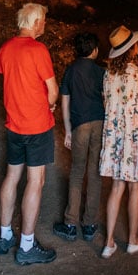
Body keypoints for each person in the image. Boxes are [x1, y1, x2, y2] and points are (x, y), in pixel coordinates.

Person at [0, 2, 59, 266]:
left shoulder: (5, 49)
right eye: (42, 20)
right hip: (37, 126)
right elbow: (52, 89)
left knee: (11, 176)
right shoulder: (38, 49)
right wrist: (51, 103)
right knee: (36, 181)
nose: (44, 24)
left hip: (14, 125)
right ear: (34, 23)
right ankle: (27, 246)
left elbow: (12, 79)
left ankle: (5, 236)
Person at [99, 24, 138, 258]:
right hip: (135, 137)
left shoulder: (108, 75)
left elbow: (107, 104)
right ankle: (133, 239)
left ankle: (109, 242)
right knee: (135, 189)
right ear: (131, 49)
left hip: (115, 138)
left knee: (116, 188)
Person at [52, 32, 105, 243]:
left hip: (80, 125)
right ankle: (90, 224)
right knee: (95, 173)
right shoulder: (101, 72)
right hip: (99, 123)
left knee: (76, 172)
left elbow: (64, 101)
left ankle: (70, 224)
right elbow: (106, 99)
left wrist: (67, 129)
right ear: (94, 51)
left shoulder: (71, 71)